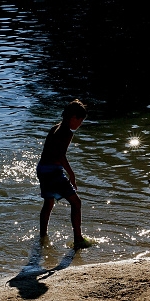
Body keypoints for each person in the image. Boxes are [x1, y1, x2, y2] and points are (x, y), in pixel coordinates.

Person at [36, 99, 92, 249]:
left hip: (42, 169)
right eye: (80, 121)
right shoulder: (67, 132)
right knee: (76, 202)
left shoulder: (55, 127)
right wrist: (72, 175)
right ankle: (79, 239)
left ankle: (42, 236)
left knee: (48, 203)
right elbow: (61, 156)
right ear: (74, 118)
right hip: (53, 172)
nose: (79, 125)